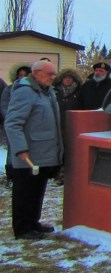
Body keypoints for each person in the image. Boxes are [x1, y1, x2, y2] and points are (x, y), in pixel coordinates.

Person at [3, 60, 63, 240]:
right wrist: (21, 148)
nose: (53, 78)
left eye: (54, 74)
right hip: (28, 153)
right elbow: (13, 123)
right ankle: (22, 228)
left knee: (37, 190)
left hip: (43, 152)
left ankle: (33, 223)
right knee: (24, 191)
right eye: (49, 74)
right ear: (36, 73)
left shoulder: (46, 92)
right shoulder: (25, 92)